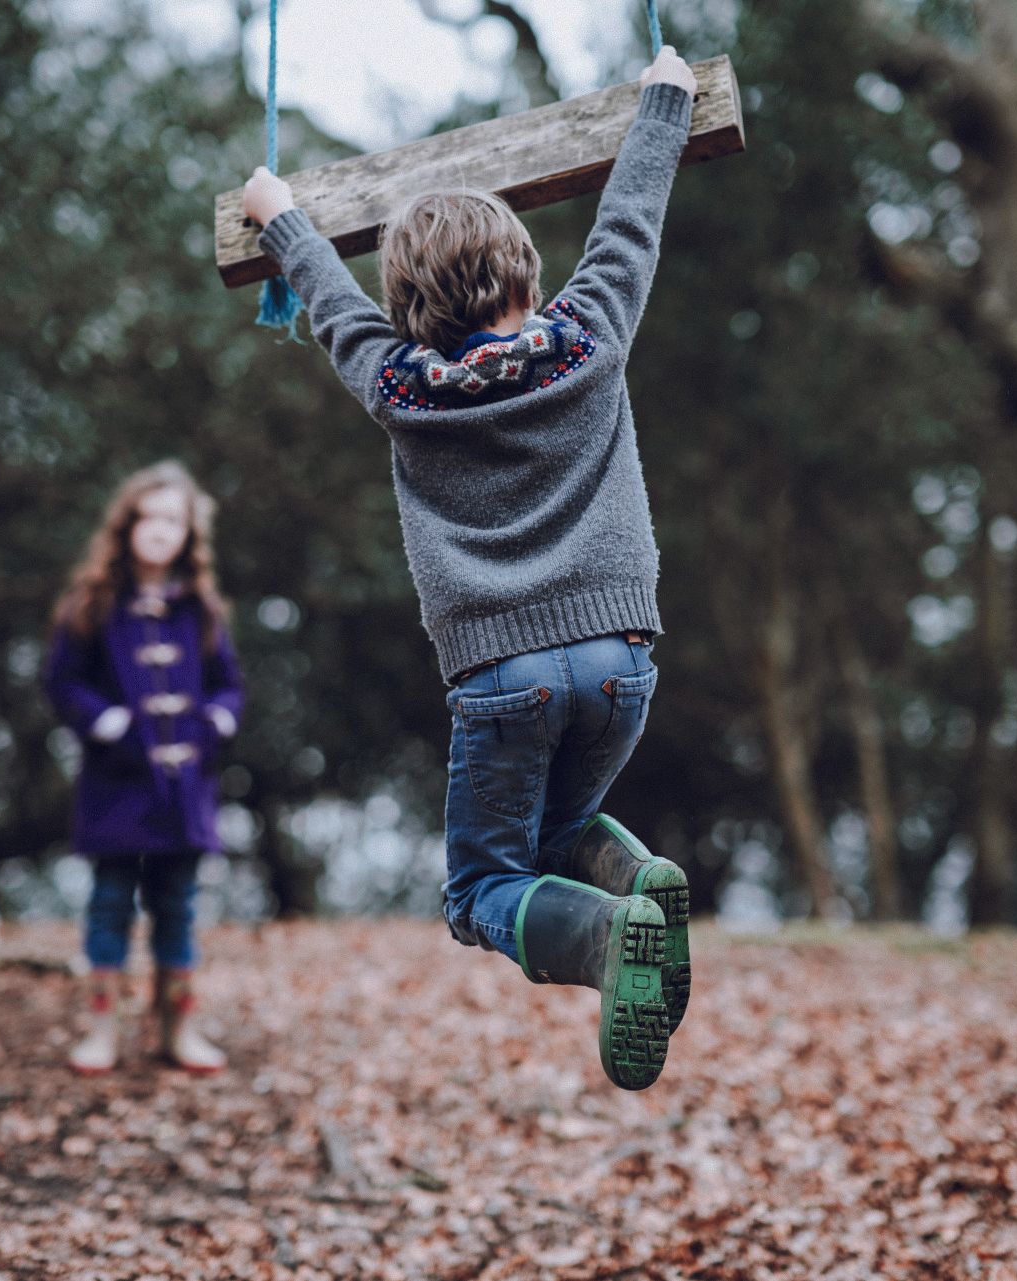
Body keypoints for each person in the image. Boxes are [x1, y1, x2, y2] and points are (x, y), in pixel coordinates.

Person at [240, 48, 700, 1090]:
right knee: (564, 830)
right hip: (622, 661)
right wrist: (664, 96)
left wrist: (281, 216)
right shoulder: (592, 338)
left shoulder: (401, 385)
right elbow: (632, 216)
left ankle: (607, 940)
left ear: (413, 304)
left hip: (504, 678)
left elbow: (328, 303)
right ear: (529, 269)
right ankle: (641, 883)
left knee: (483, 887)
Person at [44, 461, 243, 1075]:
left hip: (185, 791)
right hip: (116, 787)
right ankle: (101, 1031)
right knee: (109, 903)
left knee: (178, 906)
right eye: (149, 517)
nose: (160, 531)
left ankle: (176, 1031)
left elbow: (229, 686)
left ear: (190, 534)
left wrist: (214, 723)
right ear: (126, 526)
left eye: (173, 520)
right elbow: (61, 681)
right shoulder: (92, 603)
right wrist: (109, 724)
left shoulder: (202, 609)